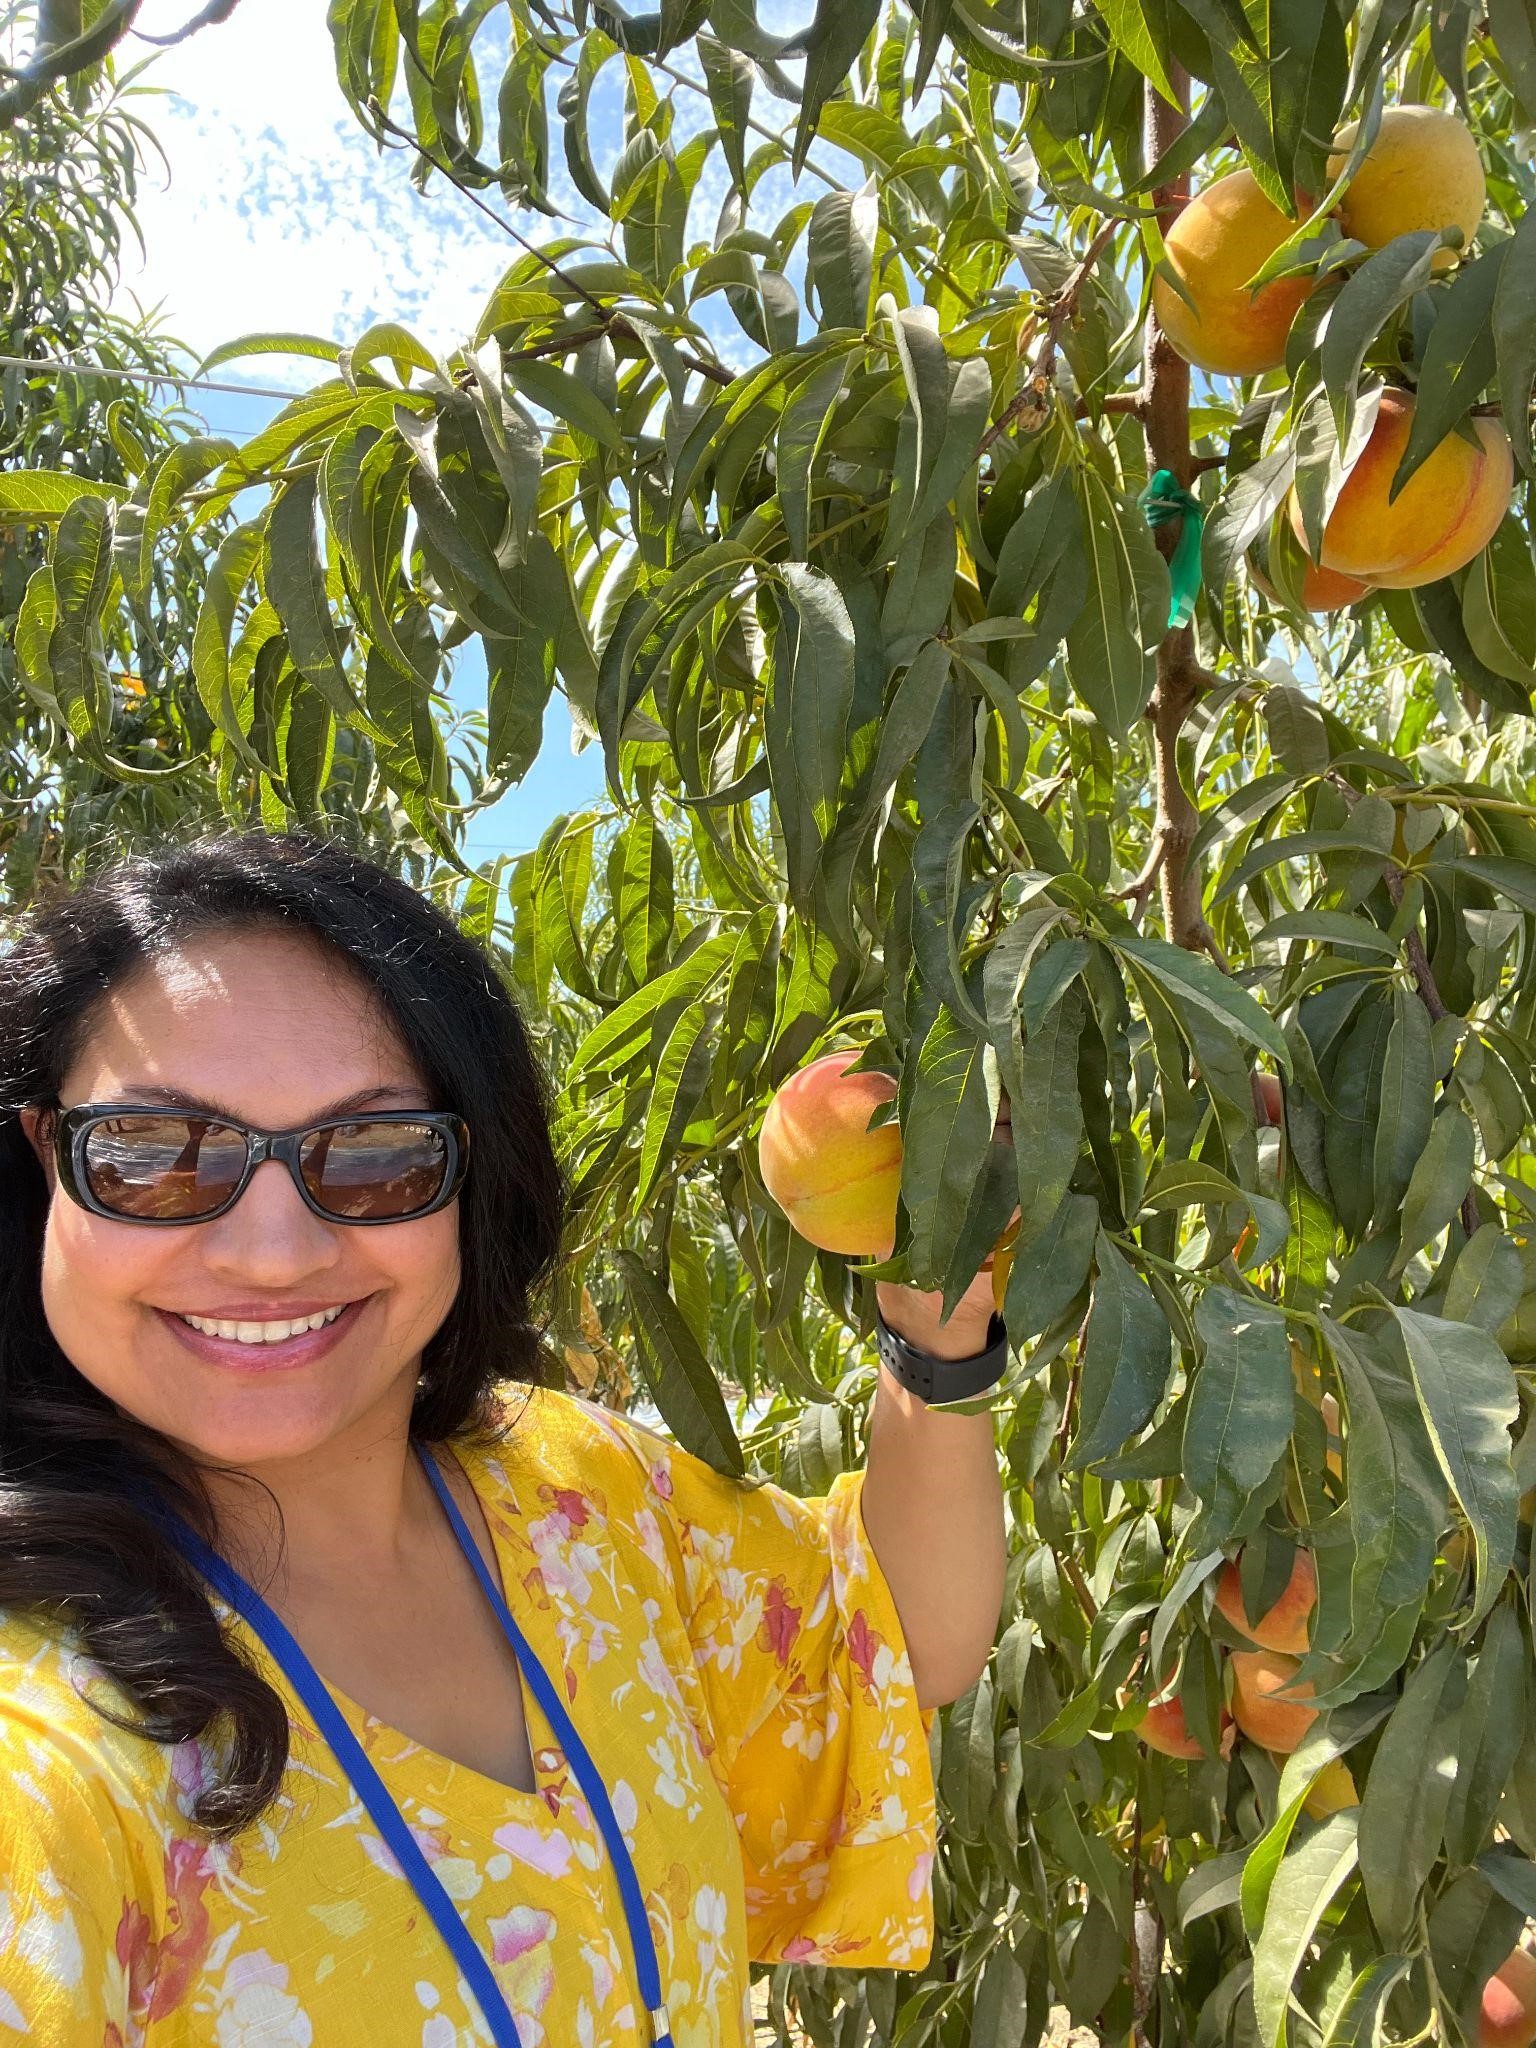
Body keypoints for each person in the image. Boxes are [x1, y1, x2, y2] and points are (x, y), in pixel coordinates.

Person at [0, 828, 1008, 2047]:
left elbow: (884, 1640)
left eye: (373, 1155)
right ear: (44, 1157)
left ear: (470, 1180)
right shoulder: (46, 1745)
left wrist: (936, 1323)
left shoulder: (571, 1485)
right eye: (156, 1158)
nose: (273, 1251)